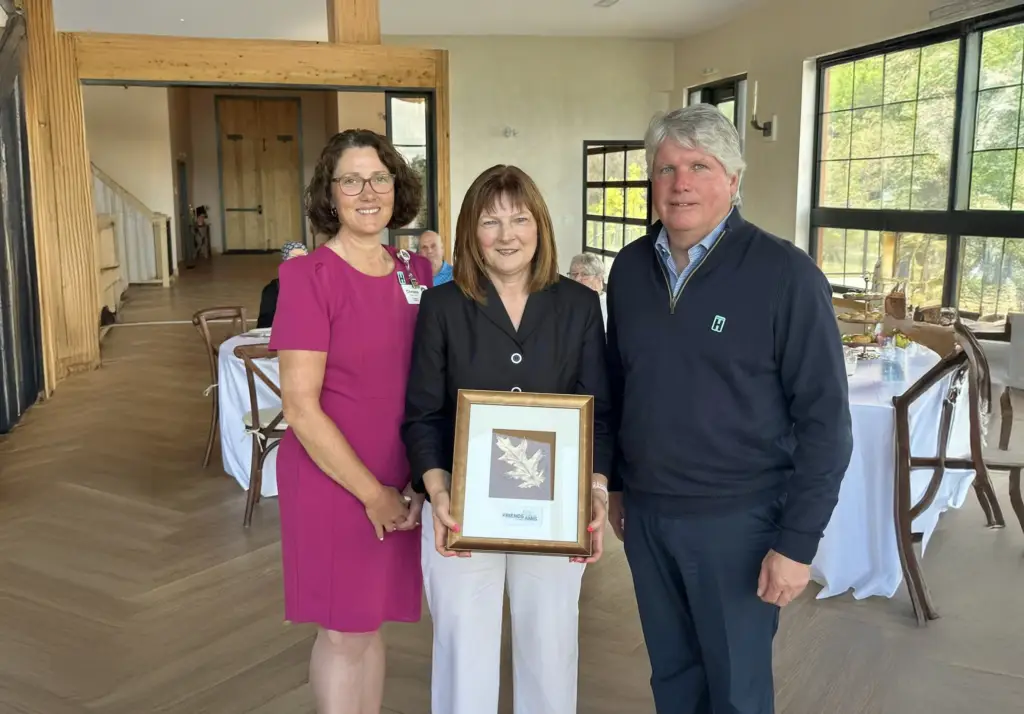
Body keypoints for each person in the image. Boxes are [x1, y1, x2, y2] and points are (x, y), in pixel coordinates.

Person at [604, 104, 853, 714]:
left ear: (734, 180)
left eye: (699, 166)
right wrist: (614, 486)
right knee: (673, 676)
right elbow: (618, 387)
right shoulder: (630, 269)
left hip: (738, 523)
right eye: (665, 169)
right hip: (648, 514)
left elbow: (827, 424)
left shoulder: (786, 275)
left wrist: (797, 542)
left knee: (737, 687)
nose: (680, 183)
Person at [402, 164, 613, 714]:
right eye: (490, 222)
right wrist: (438, 491)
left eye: (519, 219)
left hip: (555, 511)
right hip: (460, 510)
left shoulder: (579, 305)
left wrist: (593, 489)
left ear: (539, 225)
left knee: (550, 651)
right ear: (471, 231)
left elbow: (602, 413)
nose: (506, 235)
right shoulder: (441, 307)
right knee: (462, 654)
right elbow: (421, 415)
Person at [268, 129, 432, 714]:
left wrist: (416, 480)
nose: (368, 192)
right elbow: (300, 406)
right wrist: (372, 494)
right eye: (351, 180)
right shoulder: (309, 276)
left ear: (397, 186)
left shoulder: (415, 269)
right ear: (329, 193)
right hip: (334, 477)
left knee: (370, 623)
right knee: (341, 630)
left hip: (398, 473)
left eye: (380, 177)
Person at [257, 241, 308, 328]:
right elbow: (266, 321)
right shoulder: (273, 289)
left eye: (303, 257)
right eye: (293, 257)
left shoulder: (317, 285)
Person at [568, 252, 608, 327]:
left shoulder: (607, 309)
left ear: (599, 277)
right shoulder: (567, 302)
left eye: (584, 274)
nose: (577, 279)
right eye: (574, 274)